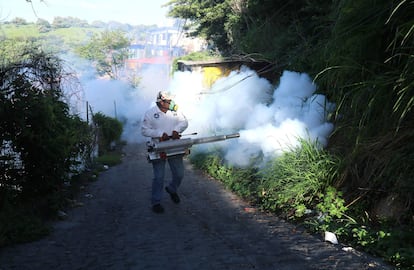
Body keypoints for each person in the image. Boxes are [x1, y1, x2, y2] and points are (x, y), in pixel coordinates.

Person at [141, 91, 189, 213]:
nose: (172, 103)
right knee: (159, 177)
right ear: (161, 102)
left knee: (179, 174)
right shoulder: (150, 113)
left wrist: (176, 130)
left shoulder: (175, 111)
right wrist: (159, 134)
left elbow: (184, 122)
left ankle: (172, 189)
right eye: (169, 101)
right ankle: (156, 202)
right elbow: (145, 131)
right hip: (158, 147)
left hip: (174, 146)